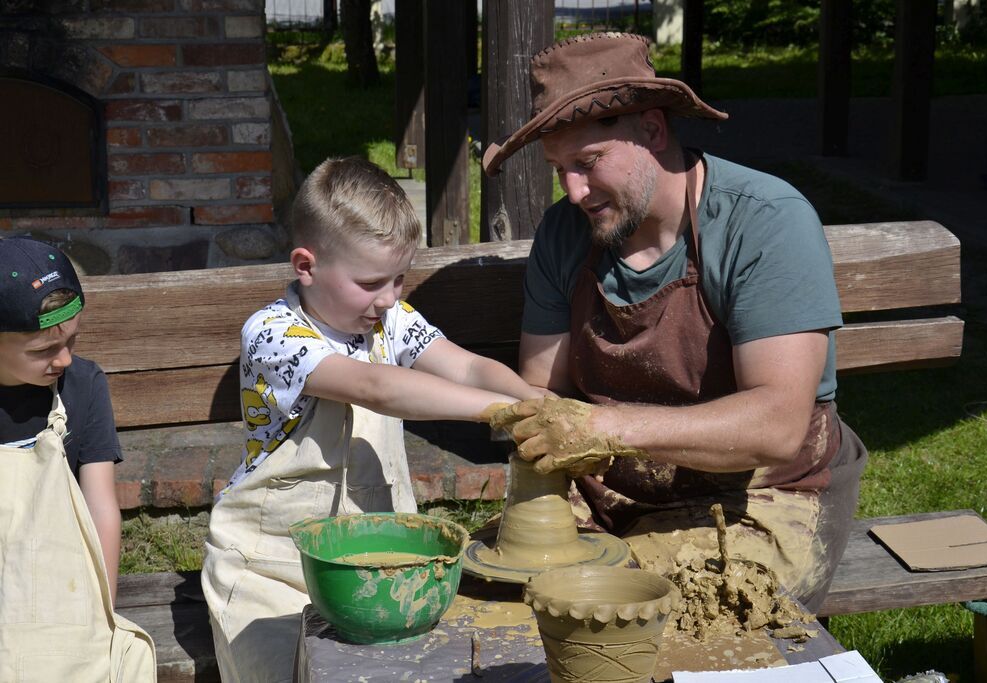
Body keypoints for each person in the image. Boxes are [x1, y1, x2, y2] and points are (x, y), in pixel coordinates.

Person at [483, 32, 868, 612]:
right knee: (500, 597)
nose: (573, 191)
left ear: (654, 131)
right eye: (558, 169)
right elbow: (544, 389)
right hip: (615, 489)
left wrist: (607, 429)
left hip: (760, 496)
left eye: (587, 164)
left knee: (618, 608)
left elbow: (778, 425)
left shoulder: (762, 223)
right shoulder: (565, 234)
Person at [202, 156, 545, 683]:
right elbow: (375, 388)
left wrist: (536, 403)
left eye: (400, 280)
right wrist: (500, 413)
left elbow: (470, 367)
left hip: (382, 559)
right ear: (306, 266)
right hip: (275, 564)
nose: (388, 299)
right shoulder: (272, 333)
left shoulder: (393, 321)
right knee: (279, 669)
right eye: (371, 282)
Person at [0, 236, 155, 681]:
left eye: (72, 340)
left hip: (60, 586)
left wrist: (100, 610)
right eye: (43, 350)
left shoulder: (83, 386)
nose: (64, 358)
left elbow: (100, 505)